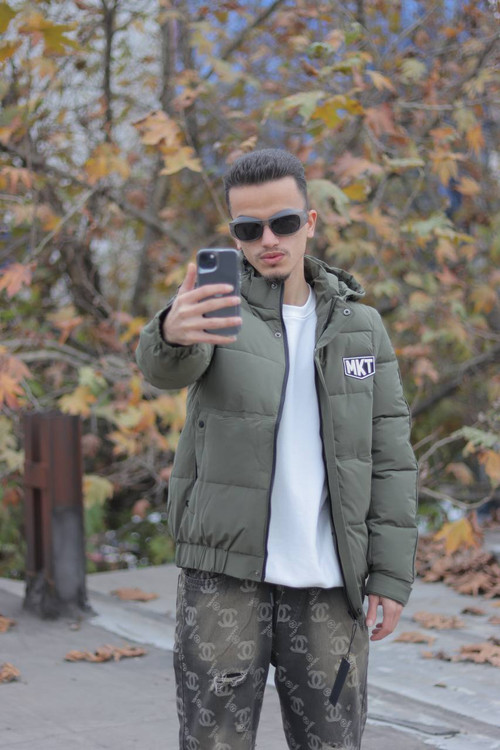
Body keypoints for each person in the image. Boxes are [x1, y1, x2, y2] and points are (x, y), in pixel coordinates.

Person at [136, 148, 418, 750]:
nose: (268, 240)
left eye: (283, 223)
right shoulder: (217, 312)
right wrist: (168, 332)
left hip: (329, 582)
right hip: (223, 577)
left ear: (309, 222)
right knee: (213, 742)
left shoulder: (361, 327)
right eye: (249, 228)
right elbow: (164, 369)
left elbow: (391, 456)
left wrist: (391, 576)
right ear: (234, 236)